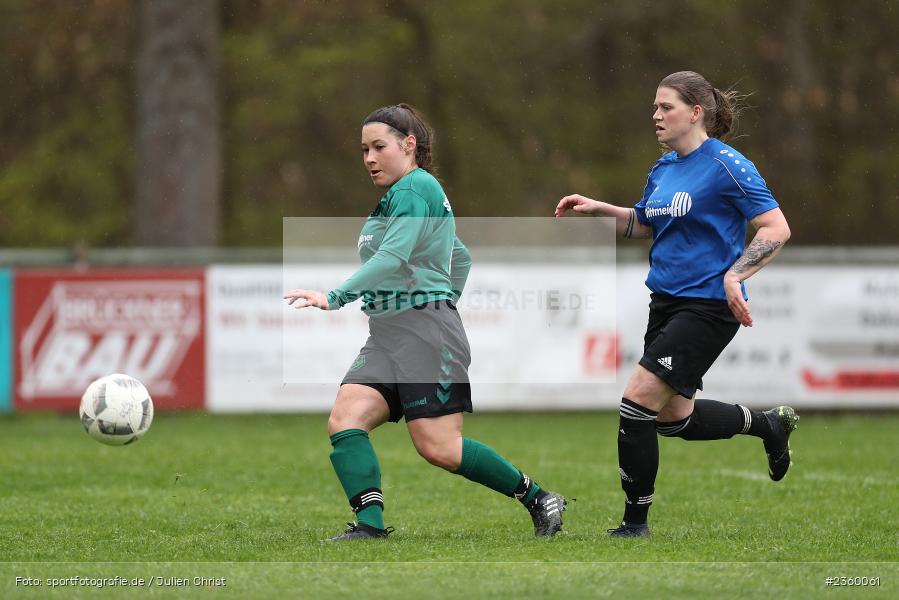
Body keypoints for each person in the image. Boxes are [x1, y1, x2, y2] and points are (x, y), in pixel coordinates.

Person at [285, 103, 566, 540]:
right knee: (346, 419)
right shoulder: (404, 193)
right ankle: (369, 527)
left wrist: (341, 297)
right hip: (390, 333)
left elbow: (393, 257)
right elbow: (460, 257)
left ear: (409, 144)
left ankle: (537, 497)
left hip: (423, 333)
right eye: (364, 150)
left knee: (438, 448)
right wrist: (436, 299)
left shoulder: (415, 189)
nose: (370, 158)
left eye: (379, 147)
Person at [555, 71, 797, 538]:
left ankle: (634, 524)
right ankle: (766, 425)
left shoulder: (728, 165)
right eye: (655, 107)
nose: (656, 115)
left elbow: (775, 228)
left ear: (695, 112)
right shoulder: (664, 168)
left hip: (708, 305)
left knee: (636, 400)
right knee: (672, 420)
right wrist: (600, 208)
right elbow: (647, 223)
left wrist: (735, 274)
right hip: (665, 301)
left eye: (666, 107)